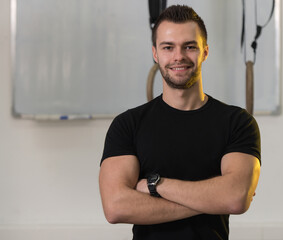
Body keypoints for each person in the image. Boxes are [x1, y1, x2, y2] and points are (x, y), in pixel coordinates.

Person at [99, 5, 261, 240]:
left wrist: (155, 185)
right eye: (168, 47)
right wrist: (213, 200)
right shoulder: (127, 125)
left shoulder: (238, 123)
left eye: (190, 46)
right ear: (155, 53)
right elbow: (115, 207)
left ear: (205, 51)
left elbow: (235, 198)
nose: (179, 56)